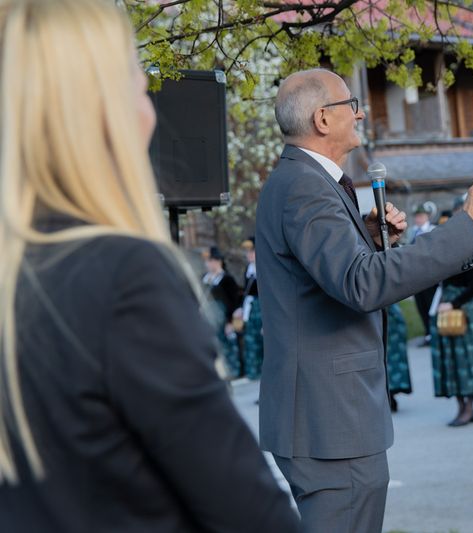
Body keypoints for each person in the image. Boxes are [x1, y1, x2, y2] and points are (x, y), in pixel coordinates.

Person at [0, 1, 299, 531]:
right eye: (138, 86)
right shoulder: (122, 277)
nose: (151, 113)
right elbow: (247, 510)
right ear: (100, 109)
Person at [256, 67, 473, 532]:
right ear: (323, 119)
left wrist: (365, 238)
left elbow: (331, 273)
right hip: (329, 421)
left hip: (327, 415)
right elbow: (362, 285)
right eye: (351, 104)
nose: (361, 113)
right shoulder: (305, 186)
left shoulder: (302, 180)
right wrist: (470, 230)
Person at [430, 266, 473, 426]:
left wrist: (454, 303)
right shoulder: (442, 252)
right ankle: (461, 406)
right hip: (445, 306)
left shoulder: (469, 252)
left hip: (466, 309)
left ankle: (469, 407)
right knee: (450, 360)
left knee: (469, 361)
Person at [202, 246, 243, 378]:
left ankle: (232, 372)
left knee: (228, 347)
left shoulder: (227, 279)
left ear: (218, 261)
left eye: (210, 260)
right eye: (206, 261)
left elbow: (235, 302)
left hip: (224, 320)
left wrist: (231, 322)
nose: (207, 264)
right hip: (208, 319)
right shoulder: (204, 278)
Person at [234, 236, 263, 380]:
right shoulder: (249, 269)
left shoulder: (265, 267)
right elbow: (247, 292)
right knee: (252, 345)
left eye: (252, 250)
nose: (249, 254)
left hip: (263, 310)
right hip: (251, 310)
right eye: (248, 251)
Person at [410, 205, 438, 346]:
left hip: (430, 276)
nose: (418, 219)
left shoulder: (432, 230)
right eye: (416, 216)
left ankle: (435, 333)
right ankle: (428, 334)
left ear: (427, 216)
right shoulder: (413, 232)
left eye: (421, 216)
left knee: (431, 305)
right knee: (421, 306)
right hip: (416, 277)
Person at [386, 303, 412, 412]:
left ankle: (391, 394)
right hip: (385, 315)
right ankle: (390, 395)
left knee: (392, 356)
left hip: (390, 317)